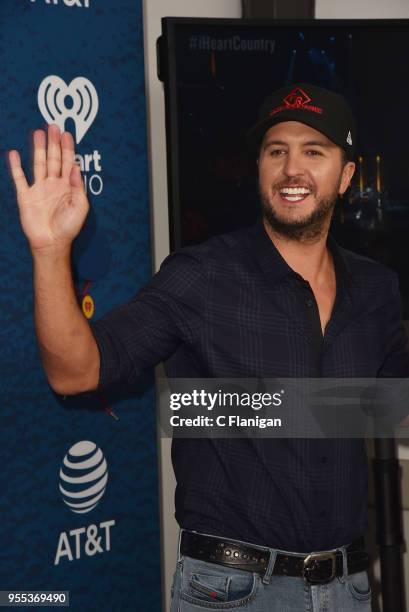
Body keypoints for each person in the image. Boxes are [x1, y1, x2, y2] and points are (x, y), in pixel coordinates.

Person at [8, 83, 409, 611]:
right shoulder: (202, 277)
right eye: (276, 151)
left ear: (347, 175)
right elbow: (76, 372)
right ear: (260, 169)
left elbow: (393, 411)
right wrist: (51, 249)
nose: (293, 169)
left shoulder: (376, 290)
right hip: (234, 591)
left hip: (351, 588)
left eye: (314, 151)